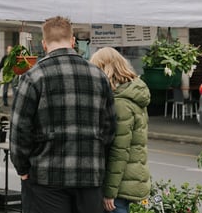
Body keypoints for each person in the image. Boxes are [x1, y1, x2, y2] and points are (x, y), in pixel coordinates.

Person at [10, 16, 116, 213]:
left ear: (44, 43)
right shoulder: (99, 77)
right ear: (73, 41)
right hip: (89, 177)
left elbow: (19, 129)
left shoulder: (33, 77)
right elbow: (109, 129)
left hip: (46, 178)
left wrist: (22, 168)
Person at [90, 47, 151, 213]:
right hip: (129, 179)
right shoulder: (132, 93)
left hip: (119, 184)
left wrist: (109, 192)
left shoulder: (120, 103)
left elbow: (119, 151)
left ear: (105, 70)